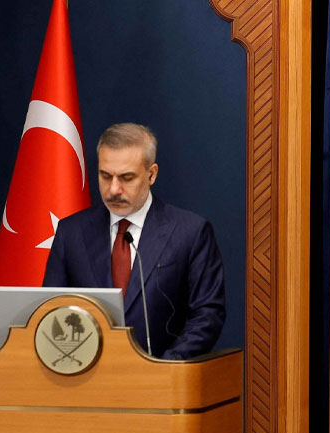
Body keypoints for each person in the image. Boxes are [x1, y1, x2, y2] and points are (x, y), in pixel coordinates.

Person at [44, 123, 225, 359]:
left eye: (126, 178)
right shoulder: (71, 232)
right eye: (105, 176)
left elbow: (207, 314)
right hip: (85, 374)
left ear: (151, 174)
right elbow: (51, 310)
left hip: (162, 374)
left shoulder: (190, 233)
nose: (113, 189)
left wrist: (164, 367)